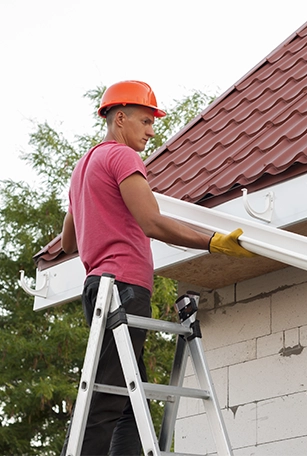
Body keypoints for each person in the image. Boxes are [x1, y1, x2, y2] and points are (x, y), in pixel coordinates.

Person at [60, 80, 254, 456]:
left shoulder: (83, 167)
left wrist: (93, 211)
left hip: (98, 290)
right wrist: (212, 240)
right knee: (104, 401)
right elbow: (152, 222)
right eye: (145, 121)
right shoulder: (121, 157)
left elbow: (69, 243)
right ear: (120, 118)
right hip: (123, 289)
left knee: (129, 406)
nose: (152, 130)